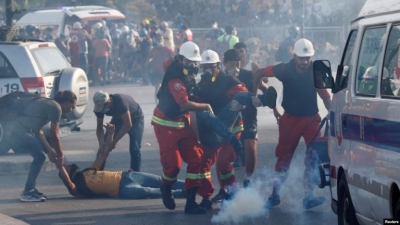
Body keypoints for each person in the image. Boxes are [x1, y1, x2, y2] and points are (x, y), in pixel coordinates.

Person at [252, 38, 331, 210]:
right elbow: (258, 73)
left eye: (307, 58)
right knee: (283, 159)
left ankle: (308, 196)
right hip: (290, 120)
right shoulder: (284, 69)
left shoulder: (315, 71)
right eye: (301, 58)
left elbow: (325, 96)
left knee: (314, 157)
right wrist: (253, 95)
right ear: (294, 55)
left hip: (312, 120)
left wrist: (333, 115)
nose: (304, 62)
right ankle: (274, 195)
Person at [194, 50, 275, 208]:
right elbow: (195, 111)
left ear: (218, 66)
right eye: (205, 68)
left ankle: (231, 194)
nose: (208, 71)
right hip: (213, 129)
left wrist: (253, 99)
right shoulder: (200, 87)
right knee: (203, 163)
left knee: (224, 161)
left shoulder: (228, 80)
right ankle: (206, 197)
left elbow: (241, 92)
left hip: (232, 126)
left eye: (211, 67)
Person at [151, 41, 211, 214]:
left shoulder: (175, 64)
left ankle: (191, 202)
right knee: (173, 166)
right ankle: (166, 187)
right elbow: (184, 105)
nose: (193, 65)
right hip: (166, 124)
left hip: (182, 122)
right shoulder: (176, 79)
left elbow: (166, 63)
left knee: (196, 159)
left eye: (195, 62)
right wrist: (205, 106)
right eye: (189, 62)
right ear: (181, 60)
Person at [58, 123, 186, 199]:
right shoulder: (78, 188)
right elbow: (68, 184)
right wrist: (59, 166)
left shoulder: (88, 171)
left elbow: (103, 154)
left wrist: (110, 133)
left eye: (66, 165)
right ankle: (185, 193)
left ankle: (193, 184)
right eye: (66, 167)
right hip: (123, 189)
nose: (67, 165)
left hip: (127, 175)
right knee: (150, 192)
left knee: (161, 181)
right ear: (67, 175)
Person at [212, 49, 277, 192]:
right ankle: (224, 189)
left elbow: (266, 89)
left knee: (250, 147)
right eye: (231, 65)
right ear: (224, 64)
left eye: (237, 64)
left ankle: (249, 180)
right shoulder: (219, 78)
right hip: (229, 121)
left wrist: (276, 110)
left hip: (248, 116)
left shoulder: (247, 75)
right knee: (221, 155)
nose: (234, 68)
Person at [9, 91, 77, 202]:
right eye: (72, 106)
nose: (72, 110)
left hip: (16, 131)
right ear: (67, 102)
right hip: (16, 131)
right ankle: (28, 192)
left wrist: (50, 150)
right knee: (40, 156)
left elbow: (39, 131)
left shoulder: (49, 103)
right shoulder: (56, 108)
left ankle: (30, 189)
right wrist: (60, 155)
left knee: (41, 155)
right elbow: (54, 135)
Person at [93, 90, 144, 172]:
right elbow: (99, 128)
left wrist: (114, 142)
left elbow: (128, 124)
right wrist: (101, 144)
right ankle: (96, 172)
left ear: (109, 102)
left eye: (103, 107)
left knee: (134, 148)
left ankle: (135, 173)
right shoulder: (99, 109)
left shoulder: (120, 102)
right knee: (104, 147)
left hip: (136, 120)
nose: (101, 110)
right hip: (118, 119)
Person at [148, 35, 175, 103]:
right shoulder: (154, 49)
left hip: (165, 71)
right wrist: (149, 61)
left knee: (167, 87)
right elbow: (150, 57)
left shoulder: (167, 49)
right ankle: (157, 103)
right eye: (158, 39)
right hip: (156, 70)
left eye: (160, 39)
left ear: (163, 40)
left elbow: (174, 57)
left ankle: (166, 102)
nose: (159, 40)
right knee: (157, 87)